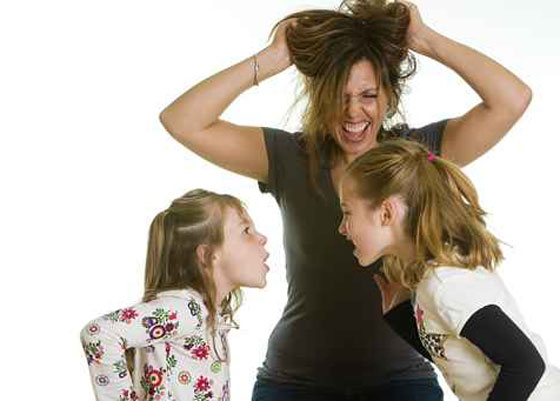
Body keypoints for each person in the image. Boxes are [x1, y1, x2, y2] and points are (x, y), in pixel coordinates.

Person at [159, 0, 531, 398]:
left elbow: (512, 99)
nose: (353, 111)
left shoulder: (413, 159)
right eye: (339, 95)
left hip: (400, 382)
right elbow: (183, 121)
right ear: (319, 98)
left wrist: (425, 40)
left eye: (368, 95)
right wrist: (272, 59)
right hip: (293, 382)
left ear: (388, 95)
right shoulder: (289, 157)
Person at [338, 139, 560, 401]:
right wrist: (398, 314)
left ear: (386, 213)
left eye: (347, 213)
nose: (342, 228)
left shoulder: (446, 284)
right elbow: (451, 353)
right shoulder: (429, 276)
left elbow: (525, 364)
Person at [80, 189, 269, 401]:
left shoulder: (205, 313)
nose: (262, 238)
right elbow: (99, 334)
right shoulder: (187, 310)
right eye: (246, 230)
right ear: (207, 254)